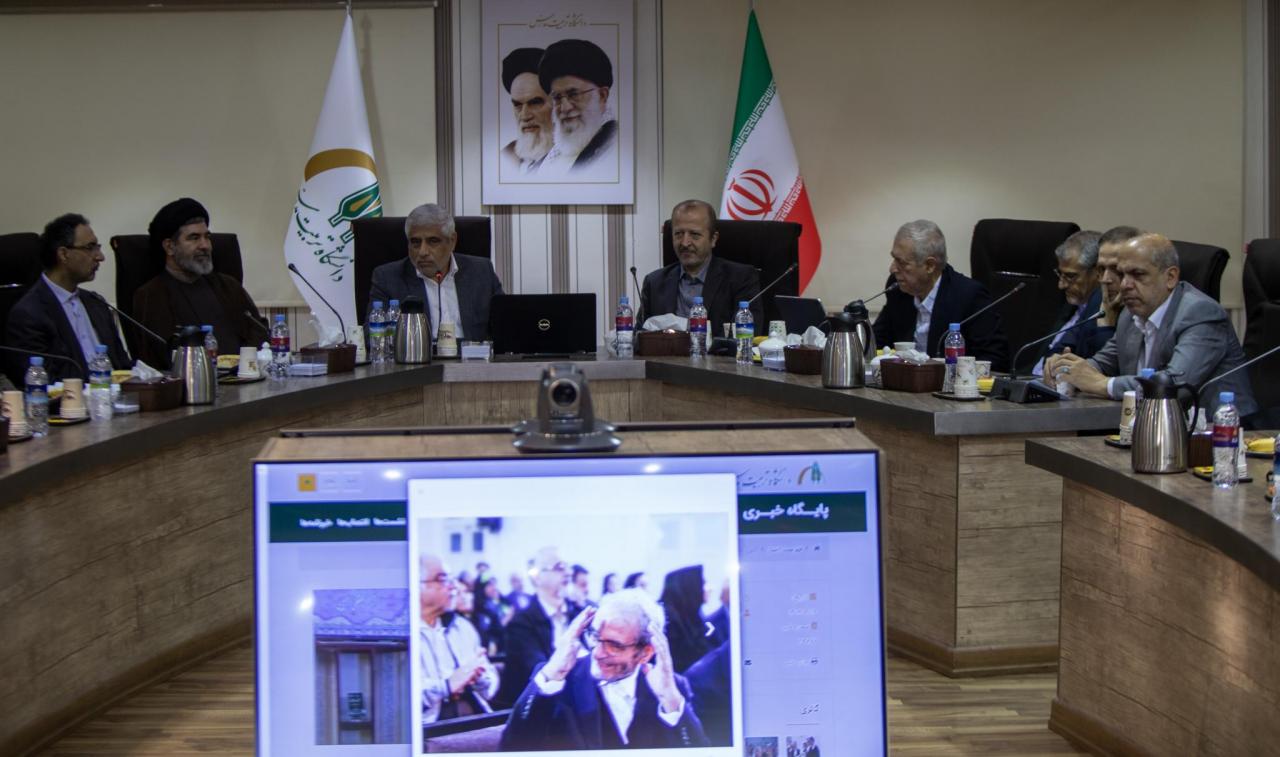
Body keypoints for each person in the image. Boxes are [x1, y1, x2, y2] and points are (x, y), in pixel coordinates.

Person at [1046, 233, 1257, 416]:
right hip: (1152, 427)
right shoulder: (1130, 314)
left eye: (1138, 274)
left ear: (1170, 277)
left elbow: (1173, 386)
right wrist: (1067, 369)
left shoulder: (1201, 313)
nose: (1125, 285)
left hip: (1221, 435)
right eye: (1122, 274)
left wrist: (1103, 384)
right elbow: (1104, 362)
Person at [500, 589, 709, 750]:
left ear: (645, 653)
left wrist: (670, 699)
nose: (598, 653)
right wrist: (552, 673)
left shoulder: (672, 688)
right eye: (594, 637)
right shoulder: (557, 680)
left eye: (614, 645)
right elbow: (512, 747)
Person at [132, 198, 266, 370]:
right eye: (194, 238)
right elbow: (161, 357)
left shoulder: (228, 286)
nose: (205, 245)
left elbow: (259, 333)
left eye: (207, 237)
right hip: (192, 383)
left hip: (244, 378)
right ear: (170, 247)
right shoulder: (152, 295)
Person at [5, 213, 131, 384]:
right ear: (63, 254)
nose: (100, 257)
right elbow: (42, 384)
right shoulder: (29, 314)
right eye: (90, 248)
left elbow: (123, 367)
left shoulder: (96, 304)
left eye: (97, 247)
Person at [871, 219, 1010, 369]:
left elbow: (995, 360)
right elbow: (876, 343)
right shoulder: (898, 289)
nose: (892, 269)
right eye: (894, 259)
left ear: (930, 266)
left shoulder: (969, 296)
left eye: (902, 262)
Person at [368, 203, 504, 342]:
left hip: (472, 354)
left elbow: (504, 327)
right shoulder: (387, 278)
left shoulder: (482, 271)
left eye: (433, 241)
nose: (423, 252)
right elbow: (372, 337)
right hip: (419, 355)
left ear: (452, 241)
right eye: (415, 242)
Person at [641, 200, 763, 333]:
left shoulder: (741, 279)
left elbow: (747, 333)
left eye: (694, 234)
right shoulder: (654, 282)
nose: (685, 243)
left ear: (713, 239)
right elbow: (639, 335)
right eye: (678, 234)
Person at [495, 547, 584, 707]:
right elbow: (542, 673)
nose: (568, 573)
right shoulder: (520, 624)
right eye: (559, 567)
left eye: (567, 567)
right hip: (535, 707)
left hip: (574, 701)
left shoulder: (577, 613)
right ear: (537, 577)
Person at [417, 553, 498, 724]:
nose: (454, 586)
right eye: (443, 579)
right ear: (416, 585)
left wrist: (479, 678)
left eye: (452, 578)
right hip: (429, 727)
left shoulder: (461, 626)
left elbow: (491, 686)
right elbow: (400, 697)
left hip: (474, 717)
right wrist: (447, 686)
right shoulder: (402, 634)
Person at [1026, 230, 1117, 375]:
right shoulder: (1073, 303)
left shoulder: (1105, 306)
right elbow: (1056, 350)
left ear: (1097, 272)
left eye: (1070, 276)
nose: (1061, 285)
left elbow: (1105, 364)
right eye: (1060, 274)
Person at [535, 39, 618, 176]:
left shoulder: (615, 148)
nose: (565, 108)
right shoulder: (540, 165)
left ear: (602, 96)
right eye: (557, 98)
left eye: (574, 94)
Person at [499, 47, 553, 176]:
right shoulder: (505, 157)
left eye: (535, 103)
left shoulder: (580, 158)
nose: (524, 115)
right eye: (517, 105)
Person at [659, 565, 712, 674]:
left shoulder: (693, 614)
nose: (710, 589)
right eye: (703, 584)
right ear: (690, 586)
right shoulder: (669, 621)